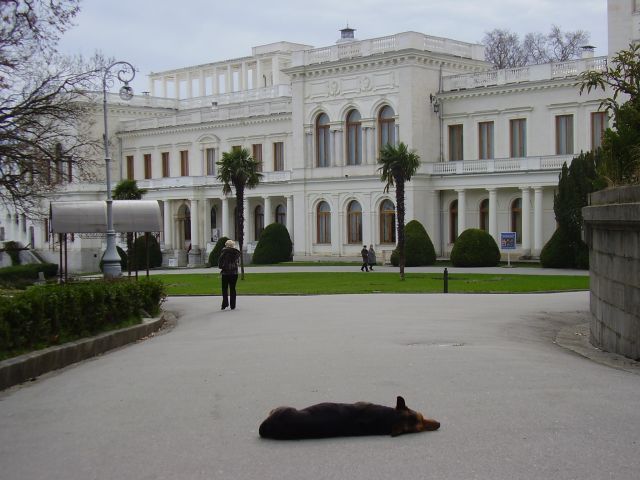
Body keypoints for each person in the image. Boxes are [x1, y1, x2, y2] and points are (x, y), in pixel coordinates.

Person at [218, 239, 241, 310]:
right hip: (234, 273)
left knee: (224, 289)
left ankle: (224, 304)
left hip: (225, 273)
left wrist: (223, 267)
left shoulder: (223, 252)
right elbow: (238, 262)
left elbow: (220, 264)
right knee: (233, 288)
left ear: (226, 245)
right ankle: (233, 305)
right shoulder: (236, 253)